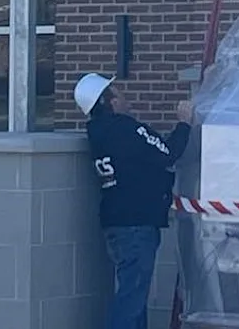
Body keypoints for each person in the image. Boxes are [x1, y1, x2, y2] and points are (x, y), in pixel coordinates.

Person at [78, 72, 194, 329]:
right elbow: (167, 153)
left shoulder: (97, 132)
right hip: (136, 224)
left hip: (116, 223)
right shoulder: (126, 128)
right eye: (116, 91)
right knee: (131, 299)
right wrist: (184, 123)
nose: (123, 94)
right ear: (110, 102)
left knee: (134, 297)